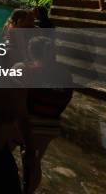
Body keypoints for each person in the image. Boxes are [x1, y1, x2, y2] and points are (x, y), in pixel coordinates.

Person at [12, 37, 73, 193]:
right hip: (50, 126)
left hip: (22, 124)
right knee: (34, 162)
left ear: (30, 51)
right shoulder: (65, 74)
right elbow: (66, 98)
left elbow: (8, 94)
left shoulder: (23, 69)